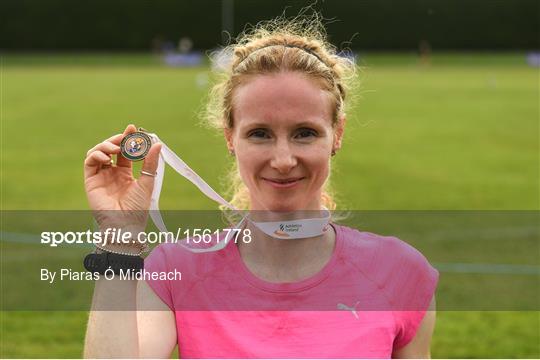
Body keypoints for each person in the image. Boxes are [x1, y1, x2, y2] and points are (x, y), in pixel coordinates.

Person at [83, 15, 439, 359]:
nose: (283, 160)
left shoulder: (400, 273)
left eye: (305, 133)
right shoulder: (175, 272)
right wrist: (120, 237)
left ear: (337, 135)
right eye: (259, 134)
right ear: (230, 138)